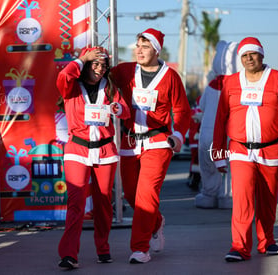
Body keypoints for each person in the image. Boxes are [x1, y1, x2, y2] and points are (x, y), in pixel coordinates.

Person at [212, 37, 278, 262]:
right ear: (240, 59)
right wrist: (218, 154)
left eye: (253, 54)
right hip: (239, 150)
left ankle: (267, 241)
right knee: (242, 199)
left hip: (271, 150)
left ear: (261, 55)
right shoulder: (231, 82)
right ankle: (239, 247)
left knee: (268, 199)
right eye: (244, 55)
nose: (249, 58)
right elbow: (221, 118)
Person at [110, 28, 190, 264]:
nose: (139, 50)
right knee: (131, 195)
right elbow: (100, 76)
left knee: (146, 196)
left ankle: (139, 248)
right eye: (137, 46)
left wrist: (178, 135)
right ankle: (156, 222)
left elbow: (183, 110)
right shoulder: (125, 71)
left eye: (145, 46)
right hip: (129, 141)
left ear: (156, 49)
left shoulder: (171, 76)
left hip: (158, 142)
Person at [56, 46, 130, 270]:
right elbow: (63, 76)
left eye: (103, 64)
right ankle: (69, 254)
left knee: (104, 203)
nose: (99, 68)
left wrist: (117, 108)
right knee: (76, 203)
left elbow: (125, 111)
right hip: (77, 151)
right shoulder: (72, 87)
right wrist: (81, 58)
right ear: (86, 64)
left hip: (105, 151)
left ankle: (103, 248)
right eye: (95, 63)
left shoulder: (110, 88)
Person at [195, 40, 242, 209]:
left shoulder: (210, 86)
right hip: (228, 136)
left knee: (208, 166)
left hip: (207, 134)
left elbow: (201, 106)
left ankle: (209, 194)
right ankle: (227, 196)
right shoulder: (239, 86)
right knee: (229, 167)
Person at [186, 97, 202, 190]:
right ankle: (195, 179)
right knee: (199, 161)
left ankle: (194, 178)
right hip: (201, 139)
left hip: (193, 140)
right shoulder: (203, 111)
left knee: (194, 161)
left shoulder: (192, 112)